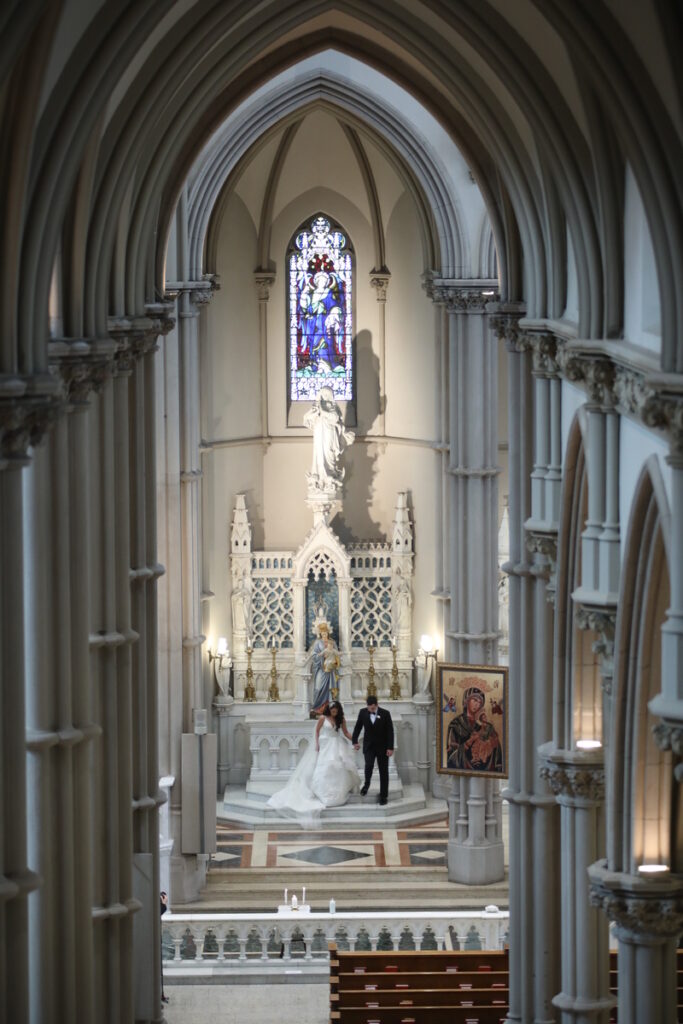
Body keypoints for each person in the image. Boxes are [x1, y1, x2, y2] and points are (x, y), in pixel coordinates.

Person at [266, 701, 359, 820]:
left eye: (336, 710)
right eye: (332, 710)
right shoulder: (322, 718)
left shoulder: (341, 719)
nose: (334, 712)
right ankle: (323, 793)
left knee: (339, 766)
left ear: (339, 710)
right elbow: (316, 731)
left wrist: (355, 741)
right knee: (325, 767)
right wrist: (317, 744)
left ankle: (337, 793)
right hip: (325, 744)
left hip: (336, 744)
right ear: (329, 710)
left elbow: (346, 732)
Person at [303, 386, 354, 490]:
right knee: (319, 452)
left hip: (330, 432)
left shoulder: (333, 406)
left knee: (328, 451)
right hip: (319, 432)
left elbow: (335, 418)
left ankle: (330, 472)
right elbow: (306, 419)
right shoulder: (316, 406)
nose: (325, 396)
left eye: (327, 394)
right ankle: (319, 476)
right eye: (323, 394)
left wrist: (323, 412)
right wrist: (314, 412)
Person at [446, 685, 503, 772]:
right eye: (475, 700)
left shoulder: (483, 726)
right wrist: (469, 742)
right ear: (466, 701)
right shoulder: (456, 724)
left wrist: (491, 743)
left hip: (484, 768)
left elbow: (495, 747)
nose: (477, 704)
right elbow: (451, 755)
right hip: (462, 771)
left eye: (480, 702)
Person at [352, 697, 395, 805]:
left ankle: (383, 796)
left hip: (383, 747)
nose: (370, 710)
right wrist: (355, 741)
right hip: (369, 746)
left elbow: (390, 731)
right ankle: (366, 785)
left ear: (376, 705)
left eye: (372, 708)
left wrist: (390, 747)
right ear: (367, 705)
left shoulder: (385, 713)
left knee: (383, 771)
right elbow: (358, 727)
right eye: (369, 708)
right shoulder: (362, 712)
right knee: (369, 765)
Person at [308, 621, 340, 713]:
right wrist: (321, 656)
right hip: (321, 669)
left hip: (330, 670)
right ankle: (317, 707)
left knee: (330, 689)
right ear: (320, 633)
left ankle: (329, 707)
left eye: (325, 633)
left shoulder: (332, 642)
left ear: (328, 632)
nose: (324, 635)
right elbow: (314, 654)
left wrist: (334, 661)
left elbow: (337, 654)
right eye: (322, 633)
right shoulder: (318, 642)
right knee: (318, 687)